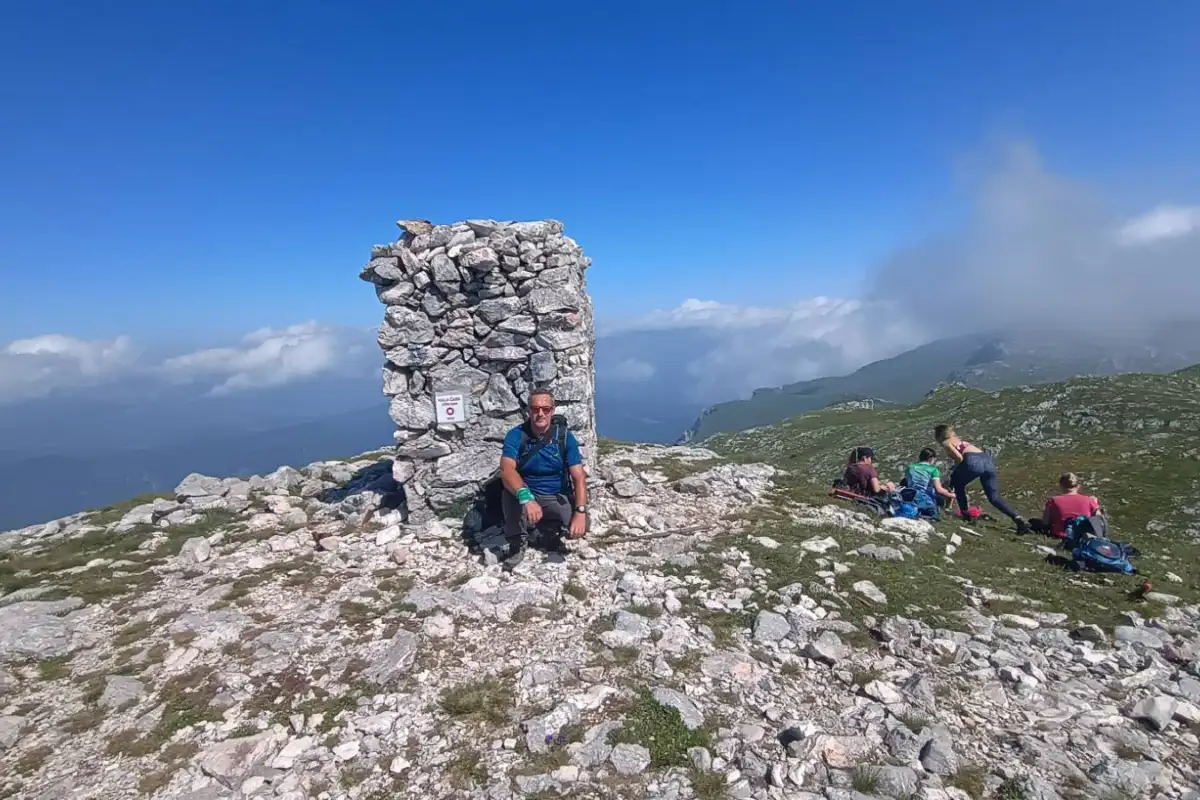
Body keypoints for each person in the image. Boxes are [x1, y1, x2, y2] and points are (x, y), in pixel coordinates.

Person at [498, 389, 588, 569]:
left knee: (581, 526)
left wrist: (580, 512)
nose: (540, 414)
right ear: (529, 411)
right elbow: (506, 470)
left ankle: (542, 531)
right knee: (509, 493)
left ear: (552, 411)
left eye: (546, 409)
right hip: (525, 493)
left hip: (555, 495)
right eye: (535, 408)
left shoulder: (564, 437)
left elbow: (579, 476)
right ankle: (517, 542)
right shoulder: (516, 435)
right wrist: (527, 497)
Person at [934, 424, 1030, 532]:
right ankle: (1017, 518)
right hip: (987, 461)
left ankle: (966, 515)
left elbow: (959, 458)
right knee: (993, 497)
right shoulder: (960, 440)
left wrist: (955, 471)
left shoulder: (946, 442)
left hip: (972, 461)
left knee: (958, 485)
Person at [1039, 472, 1101, 538]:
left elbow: (1045, 522)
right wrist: (1096, 507)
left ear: (1061, 486)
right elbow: (1099, 522)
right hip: (1083, 536)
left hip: (1060, 535)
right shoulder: (1089, 500)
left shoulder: (1053, 500)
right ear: (1078, 486)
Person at [902, 447, 957, 516]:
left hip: (910, 495)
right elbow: (939, 490)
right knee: (948, 487)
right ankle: (947, 509)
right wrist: (953, 495)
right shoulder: (933, 470)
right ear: (931, 458)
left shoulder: (910, 468)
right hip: (924, 497)